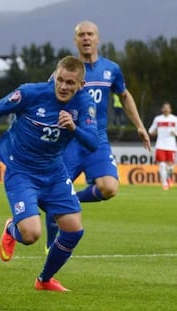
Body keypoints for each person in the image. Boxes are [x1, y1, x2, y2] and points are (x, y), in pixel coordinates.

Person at [0, 55, 98, 291]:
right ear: (54, 76)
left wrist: (74, 128)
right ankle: (12, 228)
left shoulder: (84, 104)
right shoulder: (31, 93)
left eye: (70, 83)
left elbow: (93, 142)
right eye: (60, 80)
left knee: (74, 229)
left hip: (54, 171)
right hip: (21, 170)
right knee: (31, 234)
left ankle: (44, 280)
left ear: (81, 85)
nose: (63, 87)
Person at [45, 20, 151, 251]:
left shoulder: (111, 69)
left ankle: (71, 202)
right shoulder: (64, 72)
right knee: (53, 191)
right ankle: (49, 243)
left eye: (89, 34)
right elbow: (47, 99)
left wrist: (140, 126)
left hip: (96, 139)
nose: (85, 38)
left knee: (109, 187)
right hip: (68, 140)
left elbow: (124, 95)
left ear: (97, 39)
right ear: (75, 41)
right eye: (81, 35)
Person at [148, 101, 177, 190]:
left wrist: (175, 133)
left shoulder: (175, 119)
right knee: (162, 165)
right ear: (162, 109)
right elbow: (150, 131)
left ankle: (168, 178)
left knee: (171, 167)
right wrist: (155, 132)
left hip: (171, 146)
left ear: (170, 109)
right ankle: (164, 184)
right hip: (160, 145)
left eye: (167, 107)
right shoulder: (158, 119)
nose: (166, 109)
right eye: (164, 107)